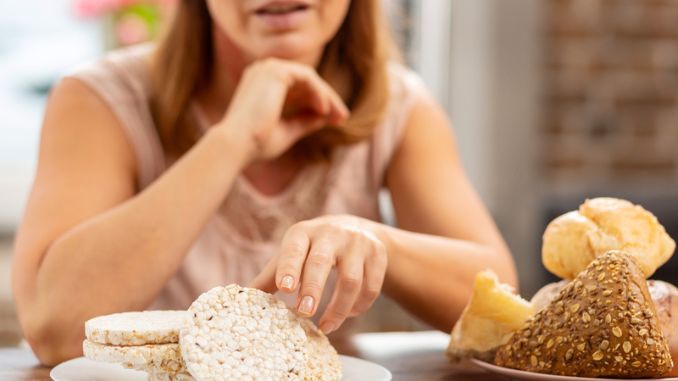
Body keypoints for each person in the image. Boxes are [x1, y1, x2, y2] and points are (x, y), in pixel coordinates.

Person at [11, 0, 517, 365]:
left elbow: (498, 303)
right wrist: (234, 139)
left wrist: (370, 236)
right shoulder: (99, 99)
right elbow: (54, 328)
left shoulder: (400, 106)